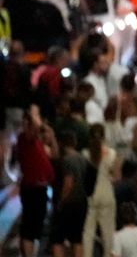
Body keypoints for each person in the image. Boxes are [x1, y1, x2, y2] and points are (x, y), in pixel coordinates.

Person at [15, 108, 57, 257]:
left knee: (36, 225)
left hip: (40, 189)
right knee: (29, 226)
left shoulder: (38, 143)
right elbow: (35, 128)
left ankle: (30, 251)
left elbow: (54, 152)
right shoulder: (24, 139)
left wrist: (49, 133)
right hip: (32, 188)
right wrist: (34, 115)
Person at [51, 130, 90, 257]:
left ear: (62, 143)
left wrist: (61, 201)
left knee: (57, 239)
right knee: (77, 239)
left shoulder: (66, 160)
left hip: (68, 203)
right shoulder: (82, 159)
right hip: (81, 202)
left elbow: (68, 182)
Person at [83, 123, 119, 257]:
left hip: (90, 195)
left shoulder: (85, 153)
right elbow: (116, 176)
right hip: (107, 194)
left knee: (87, 233)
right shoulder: (112, 153)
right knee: (108, 235)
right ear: (104, 136)